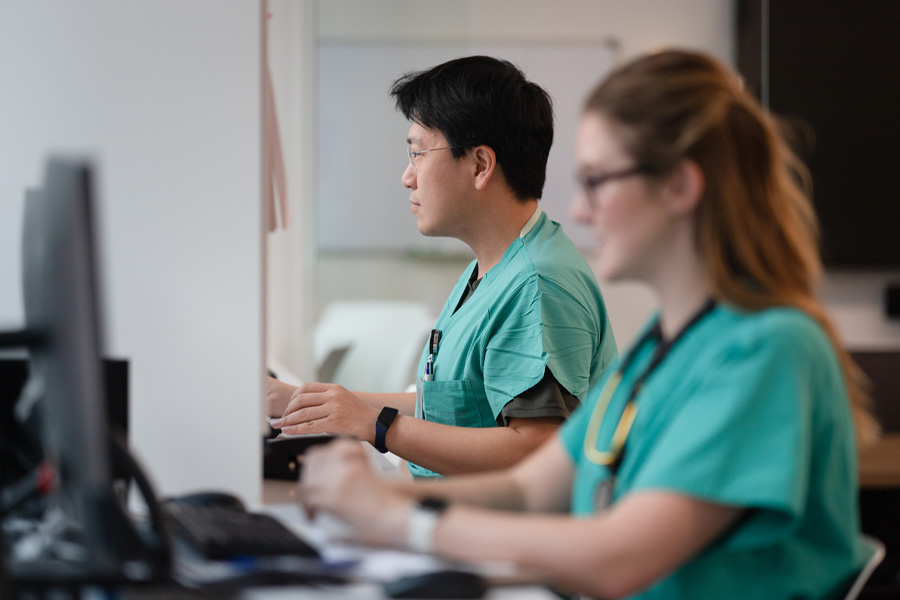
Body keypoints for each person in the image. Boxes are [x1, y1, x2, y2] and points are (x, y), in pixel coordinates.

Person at [298, 50, 879, 599]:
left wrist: (399, 518)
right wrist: (378, 498)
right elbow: (532, 486)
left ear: (679, 186)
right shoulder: (667, 342)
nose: (578, 210)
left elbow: (618, 554)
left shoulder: (768, 351)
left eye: (598, 182)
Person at [269, 56, 618, 477]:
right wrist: (303, 401)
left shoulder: (537, 284)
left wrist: (376, 427)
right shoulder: (493, 267)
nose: (407, 177)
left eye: (417, 153)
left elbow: (535, 449)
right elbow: (448, 410)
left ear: (480, 165)